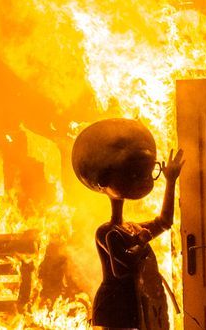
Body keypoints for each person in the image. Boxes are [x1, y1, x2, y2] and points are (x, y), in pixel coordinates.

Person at [73, 118, 185, 330]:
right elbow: (121, 269)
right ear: (104, 181)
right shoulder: (107, 232)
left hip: (134, 303)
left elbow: (164, 222)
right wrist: (142, 241)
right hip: (116, 307)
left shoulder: (129, 227)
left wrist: (170, 181)